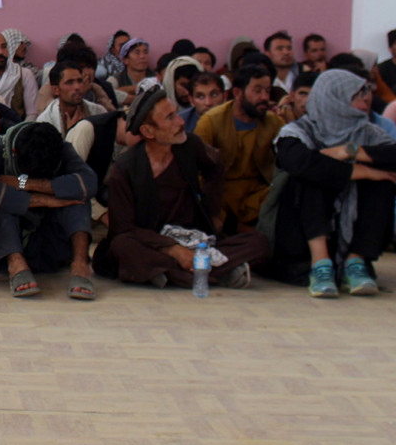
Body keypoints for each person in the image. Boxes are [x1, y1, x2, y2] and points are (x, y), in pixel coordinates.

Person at [97, 85, 270, 289]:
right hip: (154, 243)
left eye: (176, 114)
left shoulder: (189, 146)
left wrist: (213, 213)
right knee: (122, 248)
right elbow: (123, 229)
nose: (180, 122)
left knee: (259, 242)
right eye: (170, 118)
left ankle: (170, 274)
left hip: (194, 237)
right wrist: (174, 250)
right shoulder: (125, 169)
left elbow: (215, 167)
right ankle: (216, 272)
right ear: (148, 131)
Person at [266, 69, 396, 296]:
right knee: (313, 174)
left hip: (351, 230)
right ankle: (321, 264)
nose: (365, 102)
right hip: (299, 242)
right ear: (334, 100)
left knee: (383, 180)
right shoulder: (300, 130)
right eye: (356, 96)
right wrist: (358, 171)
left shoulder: (367, 131)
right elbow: (297, 161)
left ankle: (355, 262)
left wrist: (349, 150)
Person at [0, 121, 99, 299]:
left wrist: (27, 184)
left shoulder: (60, 148)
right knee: (1, 202)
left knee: (77, 199)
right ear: (15, 152)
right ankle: (16, 265)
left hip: (50, 239)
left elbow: (89, 182)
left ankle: (80, 265)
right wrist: (44, 200)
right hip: (10, 239)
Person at [192, 64, 283, 232]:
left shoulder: (274, 122)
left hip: (258, 195)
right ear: (237, 93)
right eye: (257, 91)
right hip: (221, 196)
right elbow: (197, 172)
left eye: (267, 91)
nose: (264, 97)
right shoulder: (211, 121)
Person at [0, 30, 39, 122]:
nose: (0, 52)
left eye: (4, 47)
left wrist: (19, 130)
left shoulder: (24, 74)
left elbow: (32, 114)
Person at [263, 31, 296, 95]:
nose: (286, 52)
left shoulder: (301, 74)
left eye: (289, 48)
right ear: (267, 54)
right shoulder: (263, 79)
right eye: (280, 49)